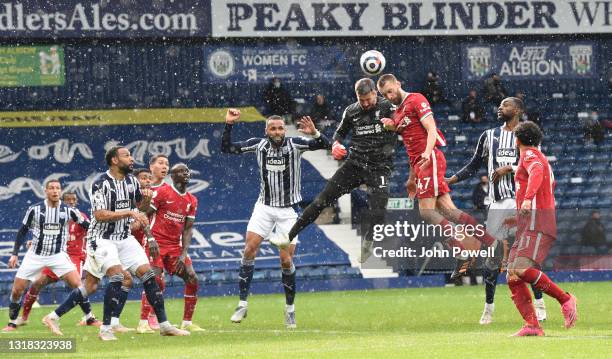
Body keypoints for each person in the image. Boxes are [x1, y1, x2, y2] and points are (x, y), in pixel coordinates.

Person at [41, 146, 189, 340]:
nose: (131, 159)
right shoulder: (100, 184)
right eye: (126, 156)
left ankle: (164, 325)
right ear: (114, 161)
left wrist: (145, 202)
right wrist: (128, 213)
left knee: (145, 276)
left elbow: (140, 209)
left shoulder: (131, 182)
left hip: (124, 237)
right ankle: (106, 329)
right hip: (101, 239)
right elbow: (100, 215)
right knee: (117, 277)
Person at [377, 74, 499, 278]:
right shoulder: (398, 114)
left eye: (390, 90)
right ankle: (492, 243)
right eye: (384, 94)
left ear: (398, 83)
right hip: (421, 164)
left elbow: (431, 129)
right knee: (450, 212)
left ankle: (463, 250)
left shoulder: (416, 99)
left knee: (426, 212)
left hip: (430, 159)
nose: (389, 96)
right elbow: (410, 148)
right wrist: (411, 178)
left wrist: (426, 152)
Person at [221, 109, 329, 329]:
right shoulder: (258, 145)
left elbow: (324, 145)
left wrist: (315, 133)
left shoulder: (296, 144)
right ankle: (242, 304)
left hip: (288, 211)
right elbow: (227, 148)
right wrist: (229, 125)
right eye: (273, 128)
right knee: (249, 250)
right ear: (266, 130)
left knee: (285, 260)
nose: (278, 131)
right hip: (264, 207)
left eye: (280, 128)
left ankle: (290, 309)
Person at [446, 97, 546, 325]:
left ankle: (539, 305)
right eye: (500, 105)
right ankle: (489, 308)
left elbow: (537, 165)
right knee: (492, 259)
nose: (501, 108)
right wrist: (451, 179)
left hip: (522, 203)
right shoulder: (489, 136)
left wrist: (509, 168)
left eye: (506, 105)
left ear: (518, 110)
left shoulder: (529, 134)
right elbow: (473, 165)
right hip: (497, 205)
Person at [286, 78, 397, 262]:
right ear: (357, 97)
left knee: (379, 209)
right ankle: (287, 236)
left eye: (369, 99)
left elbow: (405, 128)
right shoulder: (351, 111)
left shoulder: (389, 107)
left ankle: (368, 244)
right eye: (362, 100)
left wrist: (395, 126)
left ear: (375, 94)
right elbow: (339, 134)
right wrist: (336, 145)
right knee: (322, 200)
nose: (366, 103)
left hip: (380, 168)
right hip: (355, 164)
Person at [506, 121, 577, 336]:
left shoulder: (530, 155)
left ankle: (565, 299)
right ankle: (532, 325)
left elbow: (536, 173)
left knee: (520, 269)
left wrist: (527, 200)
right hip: (529, 222)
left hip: (538, 221)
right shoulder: (536, 155)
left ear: (517, 139)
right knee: (512, 274)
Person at [2, 180, 90, 332]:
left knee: (80, 287)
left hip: (58, 256)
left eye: (57, 188)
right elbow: (23, 231)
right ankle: (12, 323)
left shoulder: (68, 211)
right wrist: (15, 254)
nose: (55, 191)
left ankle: (88, 317)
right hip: (35, 255)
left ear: (60, 191)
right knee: (17, 290)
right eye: (51, 188)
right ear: (46, 191)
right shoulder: (35, 209)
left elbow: (88, 226)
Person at [15, 192, 101, 328]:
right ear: (62, 201)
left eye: (74, 199)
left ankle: (89, 317)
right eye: (68, 200)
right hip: (55, 256)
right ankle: (24, 317)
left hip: (74, 257)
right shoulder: (54, 216)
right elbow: (44, 235)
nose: (72, 202)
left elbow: (92, 231)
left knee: (79, 287)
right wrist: (34, 242)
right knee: (37, 283)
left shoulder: (80, 217)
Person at [144, 163, 203, 332]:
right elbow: (144, 215)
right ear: (173, 176)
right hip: (156, 245)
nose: (186, 173)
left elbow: (188, 228)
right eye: (181, 171)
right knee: (154, 281)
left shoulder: (192, 200)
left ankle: (187, 322)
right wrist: (149, 238)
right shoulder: (162, 192)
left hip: (174, 247)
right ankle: (149, 320)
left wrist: (184, 254)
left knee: (192, 278)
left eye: (187, 171)